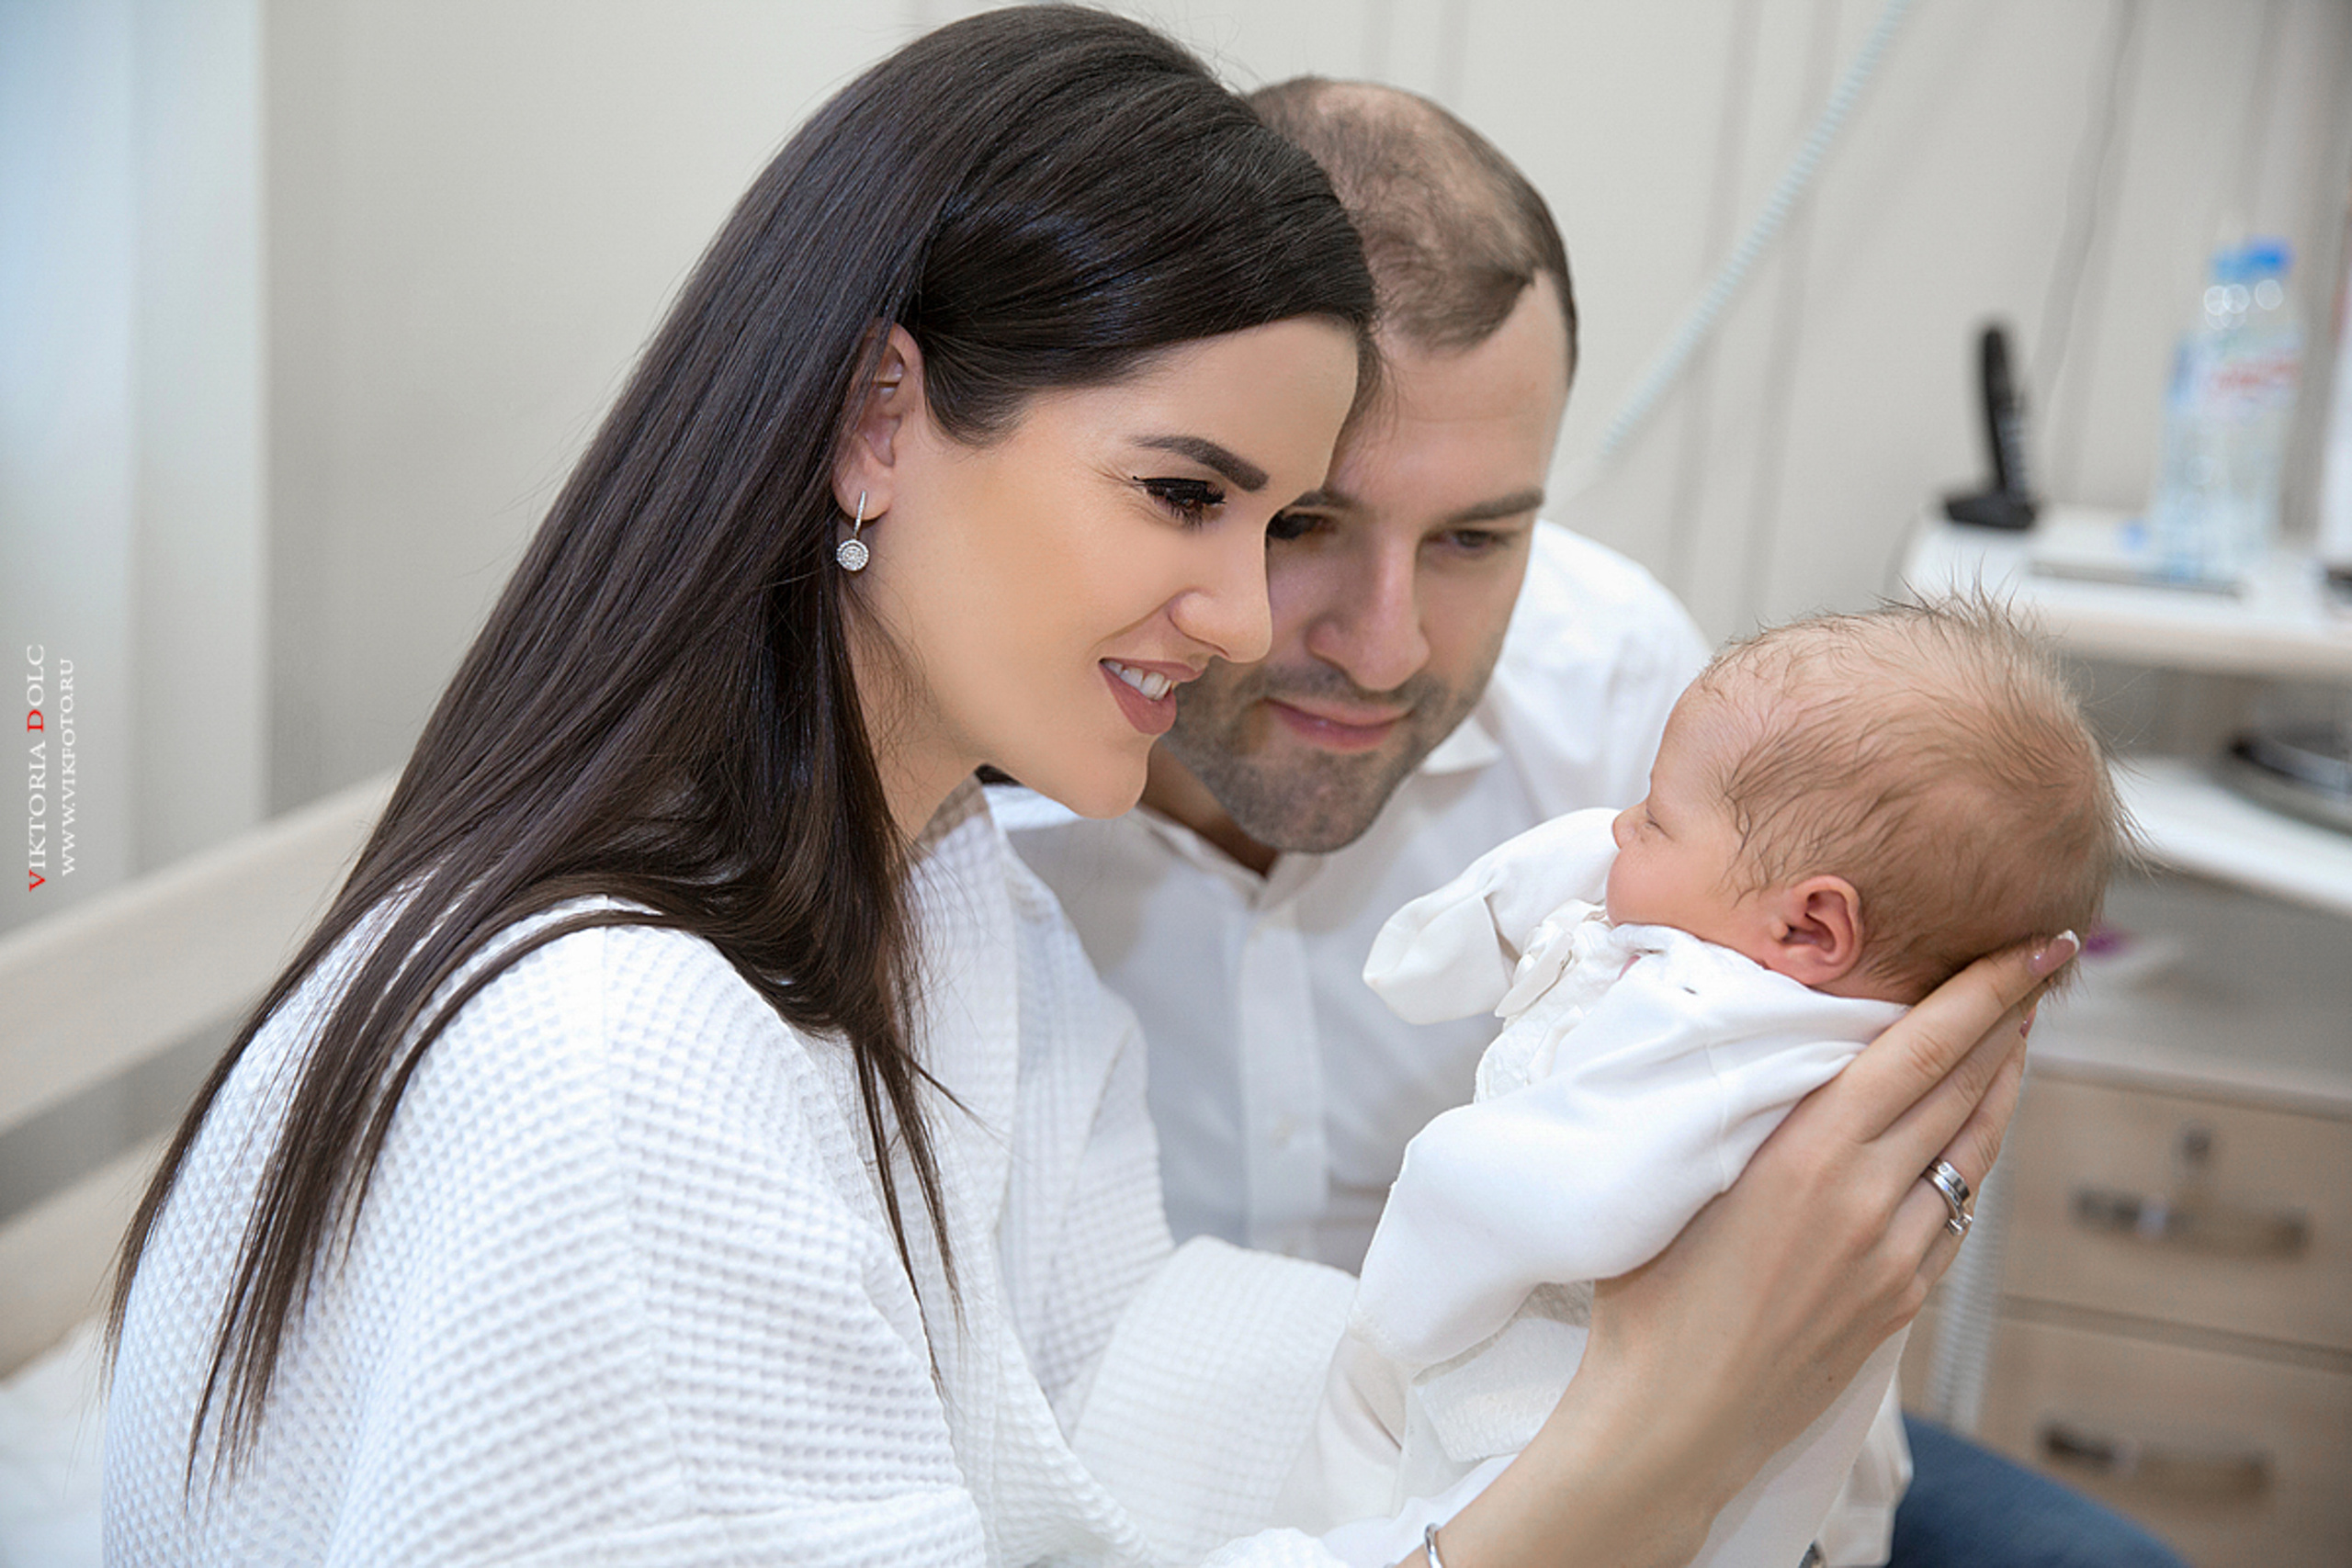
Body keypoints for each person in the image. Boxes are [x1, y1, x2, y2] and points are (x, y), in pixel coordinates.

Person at [100, 12, 2041, 1568]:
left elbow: (1116, 1373)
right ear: (877, 421)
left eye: (1263, 516)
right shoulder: (612, 1073)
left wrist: (1629, 1338)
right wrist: (1628, 1458)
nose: (1248, 620)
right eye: (1189, 498)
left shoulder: (953, 895)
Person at [999, 78, 2183, 1568]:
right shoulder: (983, 793)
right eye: (1304, 522)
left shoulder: (1635, 694)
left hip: (1645, 1416)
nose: (1386, 645)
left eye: (1479, 538)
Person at [1290, 602, 2130, 1568]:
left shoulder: (1712, 1029)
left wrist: (1410, 1276)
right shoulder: (1859, 1024)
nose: (1615, 830)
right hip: (1777, 1481)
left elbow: (1561, 1194)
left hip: (1537, 1435)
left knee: (1358, 1491)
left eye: (1651, 819)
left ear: (1811, 926)